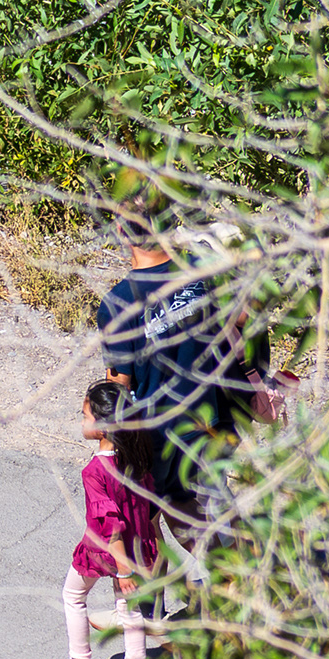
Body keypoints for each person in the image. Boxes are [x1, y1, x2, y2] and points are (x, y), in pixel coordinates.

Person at [96, 224, 240, 524]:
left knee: (141, 519)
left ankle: (152, 569)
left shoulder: (118, 302)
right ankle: (236, 566)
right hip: (205, 417)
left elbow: (118, 386)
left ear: (122, 230)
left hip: (154, 433)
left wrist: (107, 449)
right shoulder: (201, 269)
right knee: (196, 506)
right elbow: (241, 317)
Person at [45, 376, 164, 659]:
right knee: (130, 607)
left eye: (85, 416)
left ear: (102, 426)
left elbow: (110, 524)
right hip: (137, 547)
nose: (82, 421)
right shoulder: (136, 463)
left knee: (73, 596)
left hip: (105, 551)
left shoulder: (95, 472)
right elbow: (149, 506)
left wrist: (123, 569)